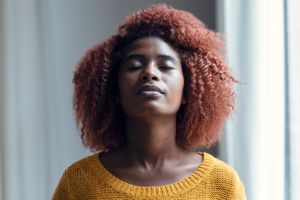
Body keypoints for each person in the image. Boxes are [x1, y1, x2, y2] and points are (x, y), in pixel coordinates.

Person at [52, 3, 246, 200]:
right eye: (134, 66)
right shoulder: (79, 182)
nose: (150, 73)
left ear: (188, 90)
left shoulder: (222, 183)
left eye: (165, 66)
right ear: (114, 91)